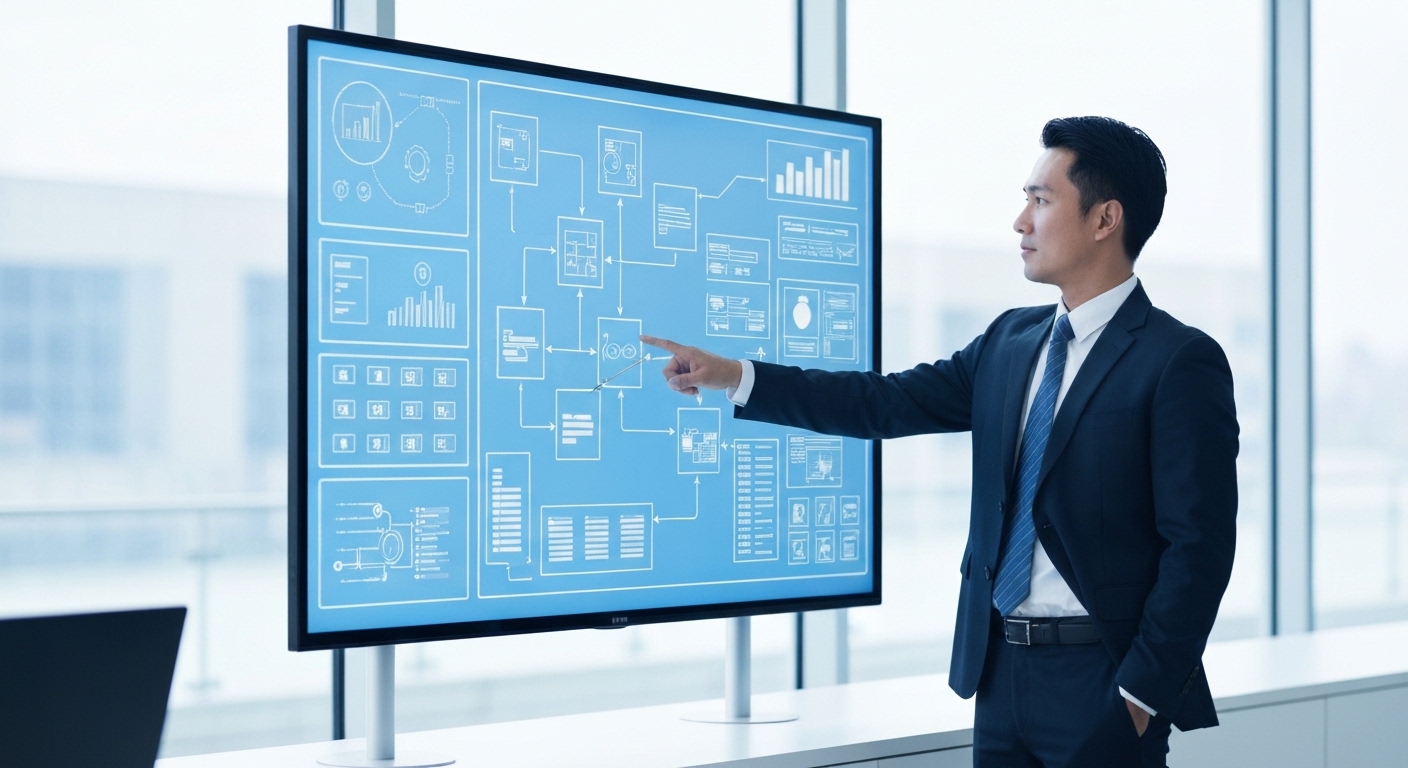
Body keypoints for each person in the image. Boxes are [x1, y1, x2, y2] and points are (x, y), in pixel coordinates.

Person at [641, 116, 1238, 767]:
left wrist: (1138, 696)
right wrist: (736, 377)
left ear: (1105, 219)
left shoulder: (1178, 361)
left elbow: (1199, 548)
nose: (1021, 221)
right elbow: (884, 401)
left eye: (1041, 200)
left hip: (1102, 680)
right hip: (1000, 676)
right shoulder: (1010, 342)